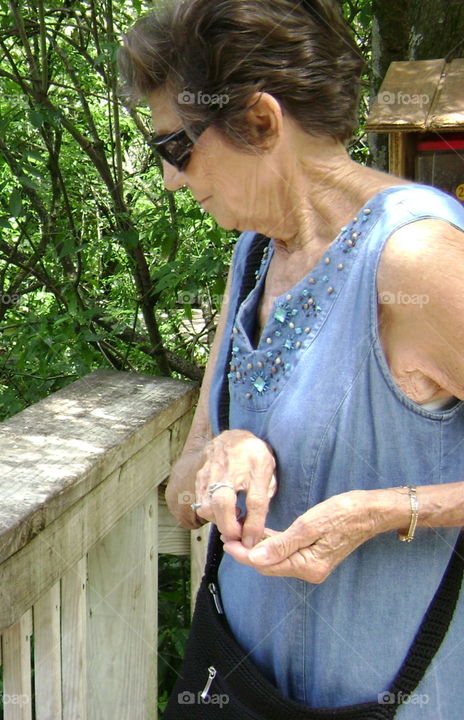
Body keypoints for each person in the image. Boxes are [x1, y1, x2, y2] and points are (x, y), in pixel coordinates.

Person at [119, 0, 464, 713]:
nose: (171, 180)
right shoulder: (250, 257)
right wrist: (224, 454)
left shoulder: (416, 261)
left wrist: (389, 509)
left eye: (176, 148)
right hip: (242, 690)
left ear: (262, 122)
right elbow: (183, 493)